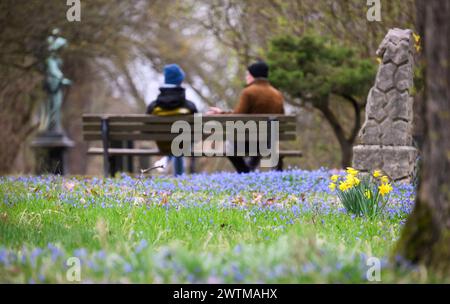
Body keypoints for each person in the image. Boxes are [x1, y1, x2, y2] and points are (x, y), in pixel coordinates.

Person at [207, 60, 285, 173]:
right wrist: (222, 112)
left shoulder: (248, 92)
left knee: (228, 147)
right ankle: (250, 171)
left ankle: (245, 172)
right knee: (260, 137)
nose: (246, 77)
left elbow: (237, 117)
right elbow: (281, 117)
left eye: (247, 75)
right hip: (269, 142)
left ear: (253, 75)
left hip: (248, 142)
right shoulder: (277, 94)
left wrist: (221, 115)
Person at [146, 64, 198, 176]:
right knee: (182, 142)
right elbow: (197, 128)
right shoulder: (189, 106)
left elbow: (146, 129)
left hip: (162, 144)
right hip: (182, 144)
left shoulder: (154, 107)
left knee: (176, 144)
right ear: (179, 81)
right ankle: (179, 177)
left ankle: (166, 158)